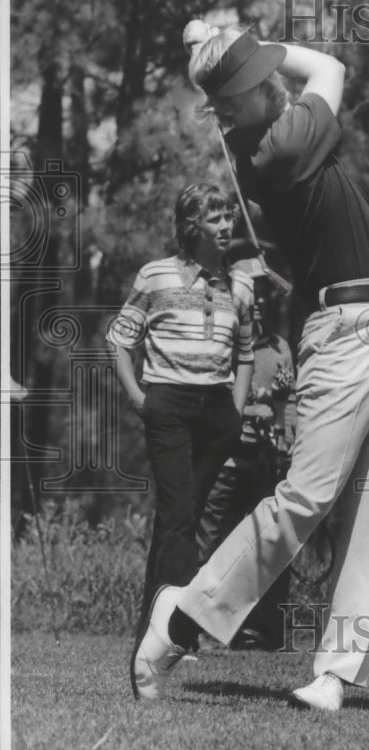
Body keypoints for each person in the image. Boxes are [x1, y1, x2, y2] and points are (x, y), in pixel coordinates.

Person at [130, 21, 369, 711]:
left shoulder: (267, 132)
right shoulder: (277, 145)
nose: (260, 89)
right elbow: (328, 66)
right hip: (350, 328)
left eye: (252, 83)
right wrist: (252, 39)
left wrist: (232, 45)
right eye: (240, 92)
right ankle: (180, 618)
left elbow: (306, 73)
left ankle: (333, 674)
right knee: (307, 497)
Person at [106, 183, 254, 629]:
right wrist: (138, 397)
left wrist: (236, 410)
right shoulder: (155, 275)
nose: (227, 225)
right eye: (216, 218)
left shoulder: (241, 283)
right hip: (167, 403)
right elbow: (119, 339)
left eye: (229, 215)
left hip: (217, 411)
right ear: (193, 226)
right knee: (179, 515)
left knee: (183, 516)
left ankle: (156, 624)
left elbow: (245, 353)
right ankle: (173, 632)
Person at [197, 265, 297, 651]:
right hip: (224, 462)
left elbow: (291, 406)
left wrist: (288, 431)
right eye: (250, 298)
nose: (256, 307)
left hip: (265, 462)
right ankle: (197, 631)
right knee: (209, 547)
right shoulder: (218, 344)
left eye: (264, 300)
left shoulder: (278, 348)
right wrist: (257, 408)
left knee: (267, 545)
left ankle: (261, 631)